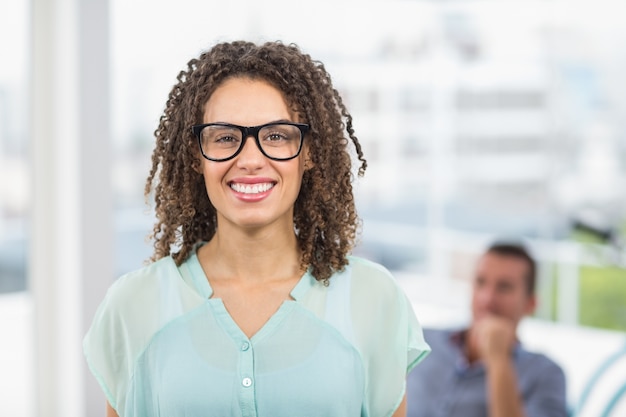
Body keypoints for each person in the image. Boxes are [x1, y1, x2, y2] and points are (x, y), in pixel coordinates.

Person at [83, 40, 431, 417]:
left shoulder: (373, 298)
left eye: (277, 136)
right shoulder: (133, 304)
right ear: (196, 155)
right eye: (225, 137)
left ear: (309, 152)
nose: (250, 160)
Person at [406, 242, 567, 417]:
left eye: (504, 287)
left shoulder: (546, 374)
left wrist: (499, 360)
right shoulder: (421, 340)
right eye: (480, 282)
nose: (487, 299)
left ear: (530, 304)